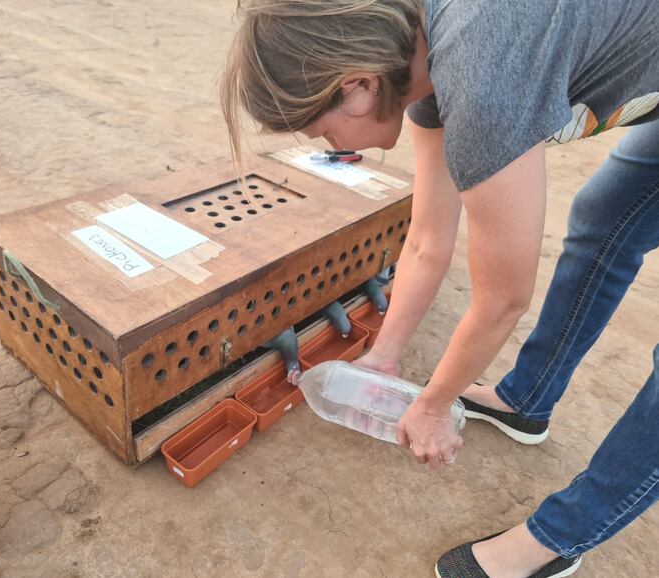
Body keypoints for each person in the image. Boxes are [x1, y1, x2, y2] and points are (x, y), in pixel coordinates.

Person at [221, 1, 659, 576]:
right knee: (605, 217)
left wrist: (432, 407)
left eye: (322, 129)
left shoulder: (480, 71)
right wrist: (383, 356)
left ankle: (558, 537)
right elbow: (428, 239)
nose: (330, 146)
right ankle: (525, 402)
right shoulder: (420, 60)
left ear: (357, 86)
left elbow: (503, 297)